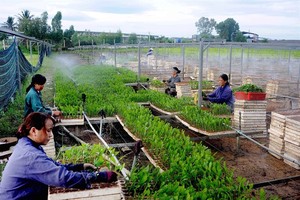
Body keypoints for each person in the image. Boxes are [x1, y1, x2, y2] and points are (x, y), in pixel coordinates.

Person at [0, 112, 118, 199]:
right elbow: (62, 178)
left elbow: (53, 166)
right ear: (34, 131)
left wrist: (79, 167)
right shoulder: (31, 156)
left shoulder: (27, 145)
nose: (51, 135)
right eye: (48, 130)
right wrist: (98, 176)